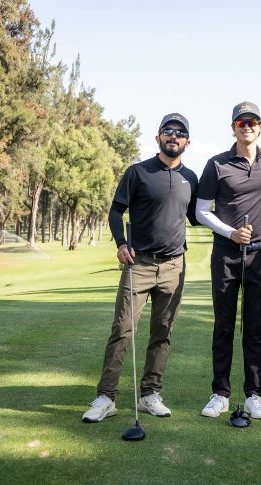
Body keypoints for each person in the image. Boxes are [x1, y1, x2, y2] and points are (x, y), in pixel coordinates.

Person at [82, 113, 199, 423]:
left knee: (163, 332)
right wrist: (121, 243)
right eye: (168, 131)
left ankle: (150, 394)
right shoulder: (138, 172)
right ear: (158, 137)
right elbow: (115, 211)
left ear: (187, 142)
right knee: (122, 330)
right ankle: (106, 397)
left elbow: (197, 216)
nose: (173, 136)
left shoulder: (191, 178)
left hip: (174, 266)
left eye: (180, 133)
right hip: (139, 264)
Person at [195, 101, 261, 420]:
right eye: (241, 122)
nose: (247, 126)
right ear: (233, 128)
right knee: (223, 325)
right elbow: (201, 211)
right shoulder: (217, 164)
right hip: (226, 254)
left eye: (252, 122)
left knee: (254, 326)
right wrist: (231, 232)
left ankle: (254, 395)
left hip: (260, 254)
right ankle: (220, 394)